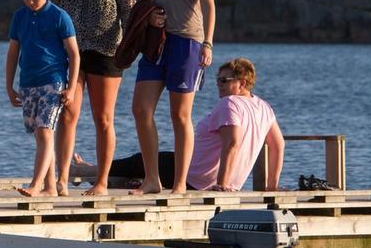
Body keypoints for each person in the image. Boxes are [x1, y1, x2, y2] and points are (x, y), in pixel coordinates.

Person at [75, 58, 284, 191]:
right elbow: (278, 145)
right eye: (217, 79)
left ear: (242, 83)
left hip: (195, 178)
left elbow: (232, 144)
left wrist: (221, 185)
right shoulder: (264, 107)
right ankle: (91, 170)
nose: (218, 84)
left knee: (142, 161)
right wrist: (271, 186)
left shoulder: (230, 103)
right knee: (148, 163)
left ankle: (86, 171)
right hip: (221, 181)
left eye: (224, 80)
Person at [51, 0, 139, 196]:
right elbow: (54, 9)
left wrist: (129, 50)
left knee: (103, 118)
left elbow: (129, 10)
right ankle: (62, 179)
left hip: (106, 51)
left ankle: (101, 182)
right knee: (67, 113)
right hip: (71, 51)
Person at [132, 0, 216, 194]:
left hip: (187, 41)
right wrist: (149, 15)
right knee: (141, 109)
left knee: (179, 115)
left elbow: (208, 4)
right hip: (157, 41)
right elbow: (143, 1)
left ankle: (180, 183)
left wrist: (208, 42)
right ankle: (152, 178)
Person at [6, 0, 80, 197]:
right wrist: (9, 85)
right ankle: (50, 187)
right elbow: (12, 53)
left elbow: (74, 54)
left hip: (53, 81)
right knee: (39, 134)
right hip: (28, 83)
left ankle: (36, 184)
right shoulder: (20, 17)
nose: (30, 1)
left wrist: (70, 87)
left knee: (46, 130)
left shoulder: (59, 16)